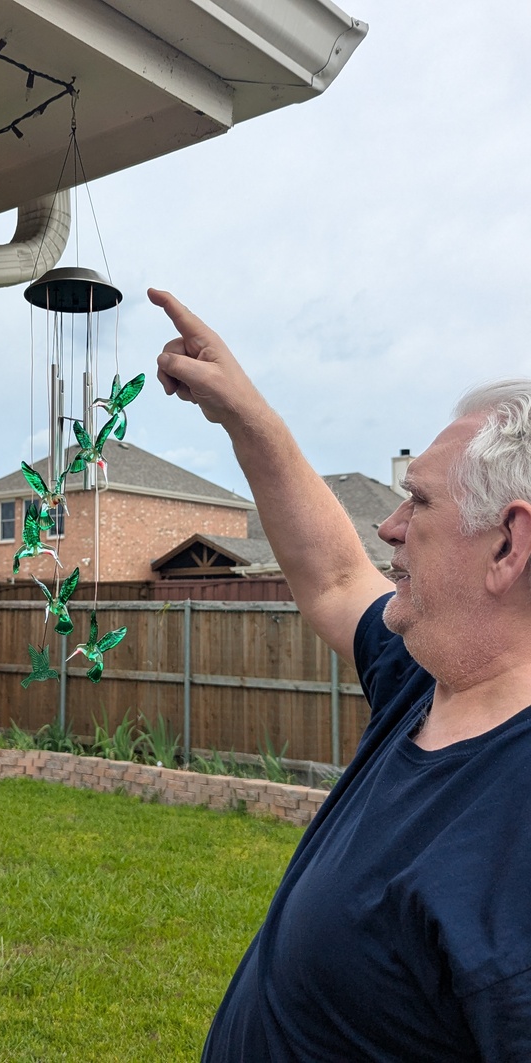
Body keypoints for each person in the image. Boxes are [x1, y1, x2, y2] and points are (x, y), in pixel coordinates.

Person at [149, 287, 531, 1062]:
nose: (387, 528)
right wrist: (243, 412)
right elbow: (331, 576)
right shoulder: (426, 682)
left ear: (507, 546)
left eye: (416, 502)